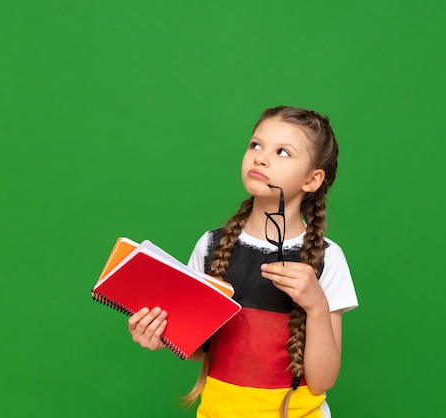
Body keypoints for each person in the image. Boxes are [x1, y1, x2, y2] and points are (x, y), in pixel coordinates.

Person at [127, 105, 358, 418]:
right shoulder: (211, 245)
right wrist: (161, 334)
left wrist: (316, 305)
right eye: (256, 145)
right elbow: (203, 347)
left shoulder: (328, 257)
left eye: (283, 152)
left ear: (312, 179)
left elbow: (322, 380)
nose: (261, 157)